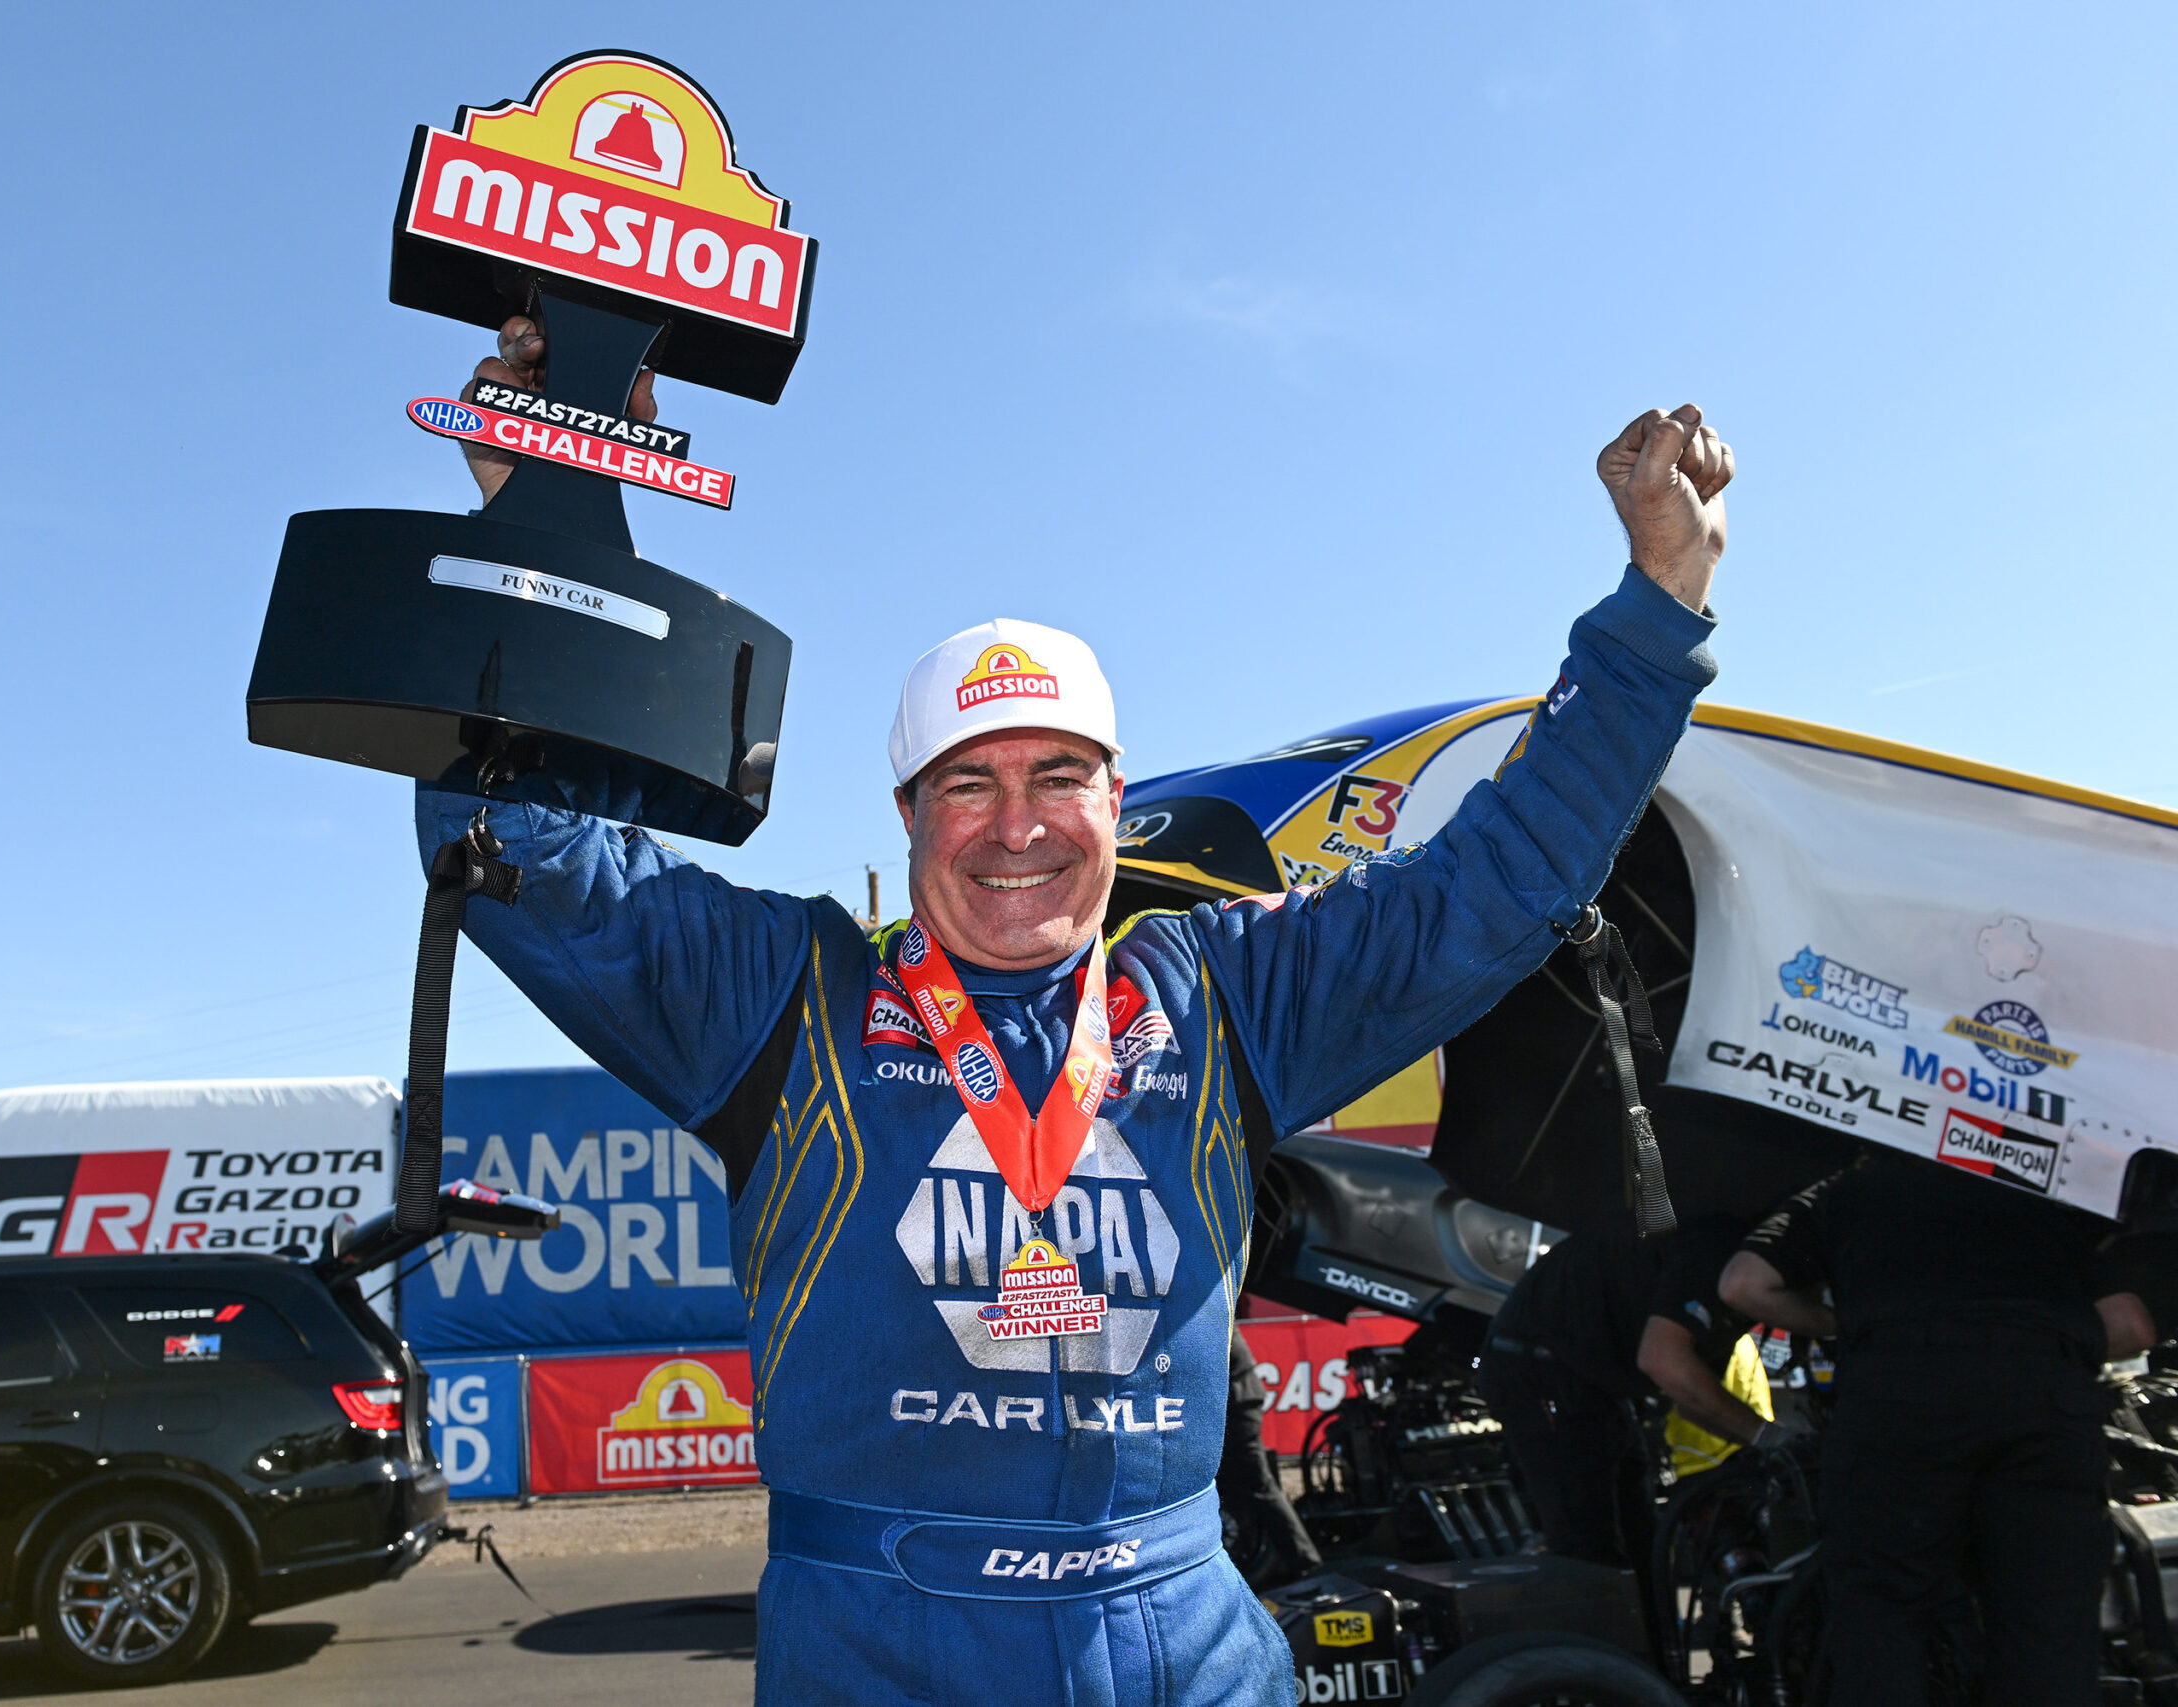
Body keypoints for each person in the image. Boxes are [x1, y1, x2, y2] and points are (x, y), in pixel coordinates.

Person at [428, 315, 1735, 1705]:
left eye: (1058, 776)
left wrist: (1659, 606)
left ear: (1115, 797)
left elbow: (1499, 881)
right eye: (968, 784)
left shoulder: (1223, 995)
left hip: (1186, 1642)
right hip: (883, 1646)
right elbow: (520, 855)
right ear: (907, 813)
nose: (1017, 827)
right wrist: (552, 518)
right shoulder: (786, 1000)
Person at [1720, 1152, 2156, 1707]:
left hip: (1902, 1400)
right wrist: (2044, 1342)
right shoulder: (2032, 1195)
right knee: (2048, 1620)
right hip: (2044, 1408)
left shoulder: (1846, 1190)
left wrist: (1844, 1325)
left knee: (1884, 1613)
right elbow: (2133, 1327)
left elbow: (1743, 1285)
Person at [1477, 1215, 1793, 1567]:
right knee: (1588, 1542)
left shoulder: (1727, 1277)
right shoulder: (1715, 1250)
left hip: (1593, 1378)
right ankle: (1598, 1593)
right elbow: (1659, 1360)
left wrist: (1769, 1446)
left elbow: (1688, 1402)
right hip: (1541, 1368)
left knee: (1641, 1538)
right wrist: (1770, 1438)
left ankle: (1643, 1595)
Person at [1217, 1326, 1324, 1588]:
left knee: (1257, 1483)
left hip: (1236, 1403)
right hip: (1234, 1399)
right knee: (1238, 1485)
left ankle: (1307, 1563)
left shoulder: (1206, 1310)